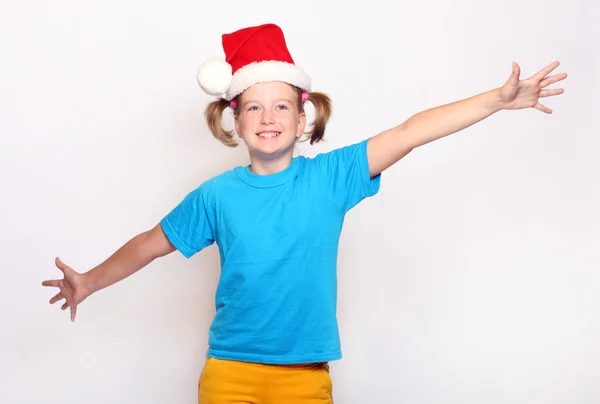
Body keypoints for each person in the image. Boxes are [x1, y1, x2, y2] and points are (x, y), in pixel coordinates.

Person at [42, 23, 567, 404]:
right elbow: (149, 244)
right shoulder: (216, 196)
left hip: (305, 378)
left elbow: (410, 132)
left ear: (302, 118)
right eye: (253, 106)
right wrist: (89, 280)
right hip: (229, 376)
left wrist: (493, 101)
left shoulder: (330, 178)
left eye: (281, 107)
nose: (267, 117)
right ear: (234, 119)